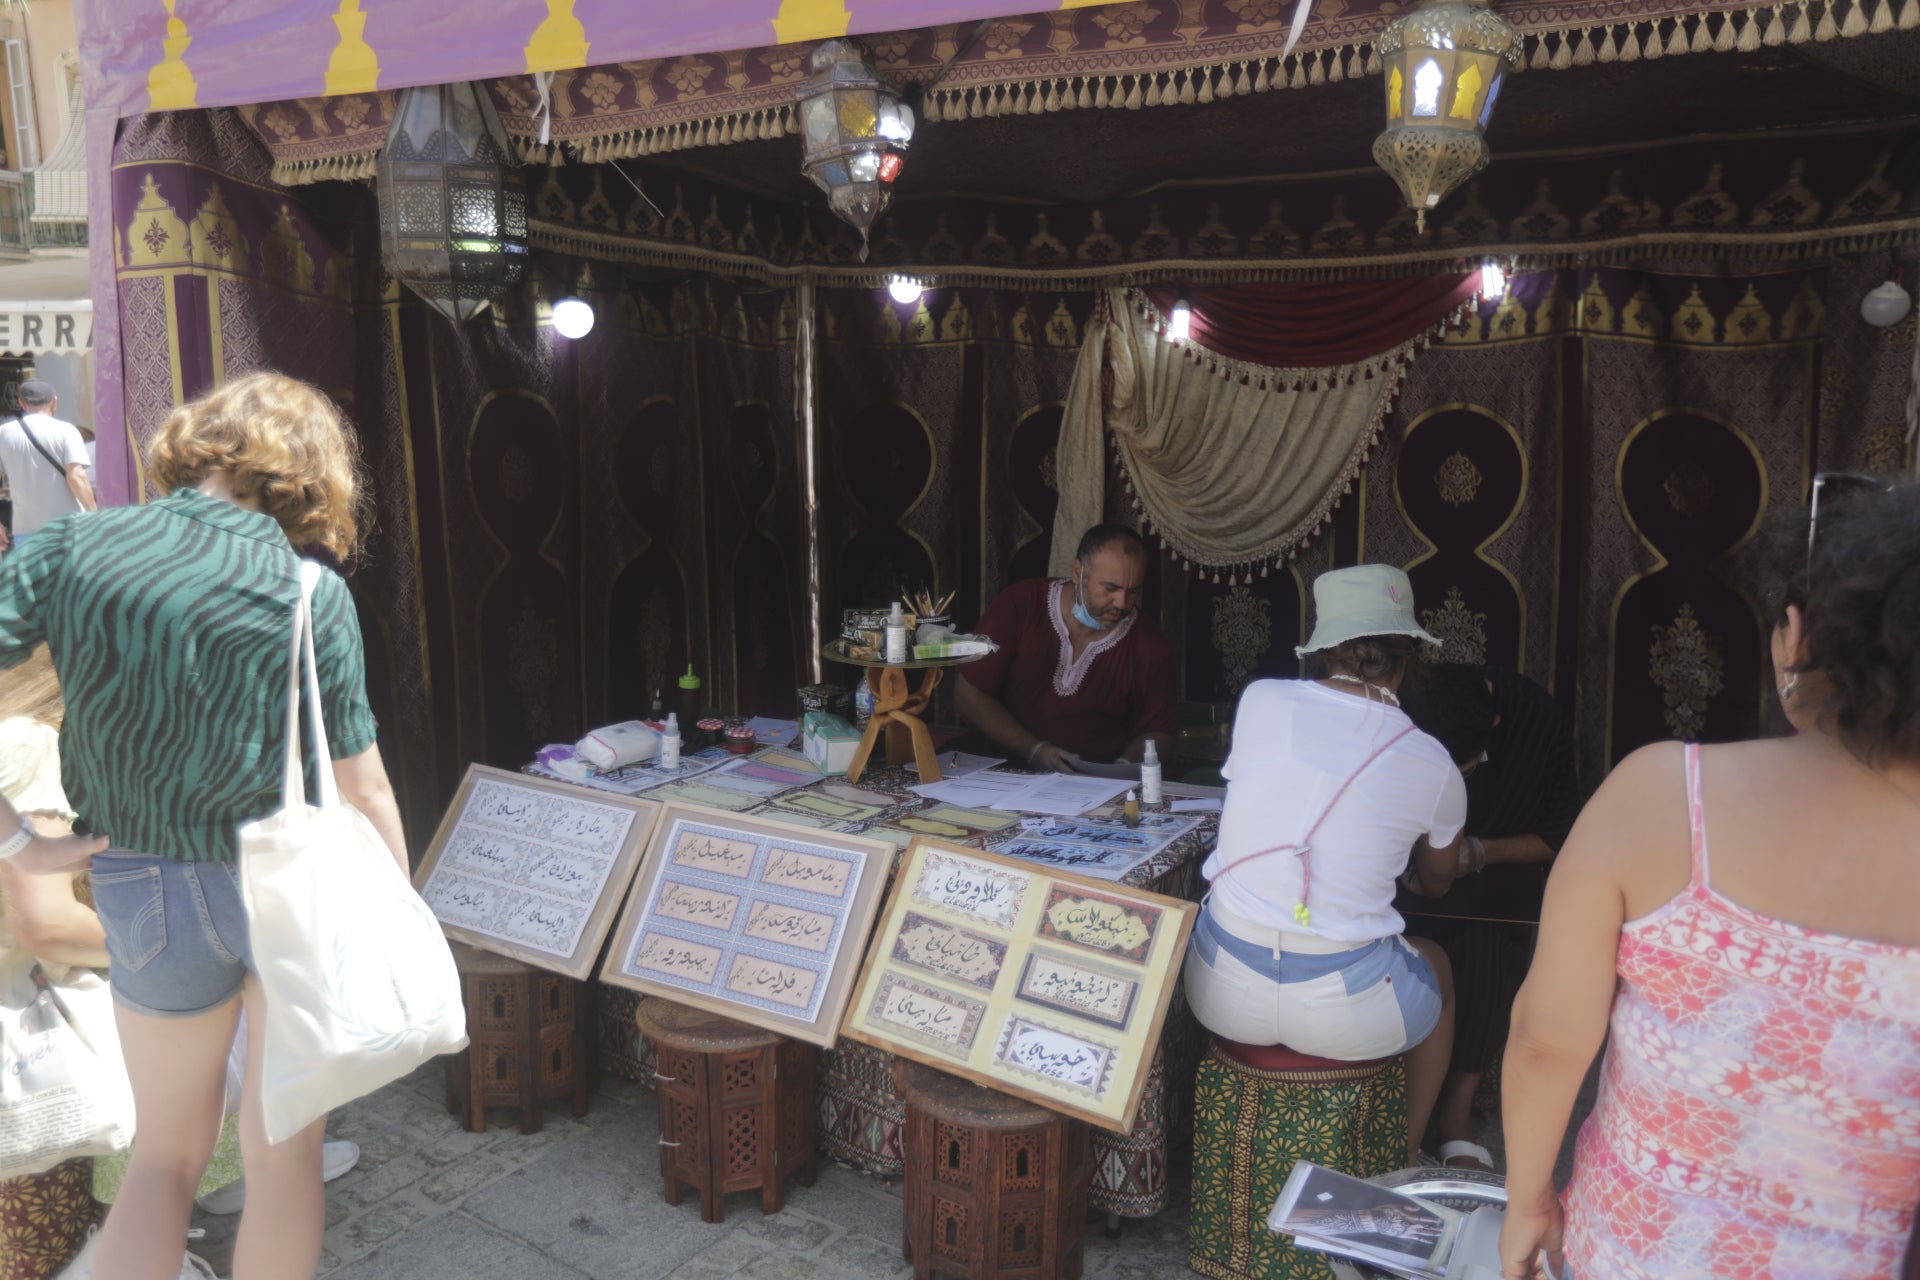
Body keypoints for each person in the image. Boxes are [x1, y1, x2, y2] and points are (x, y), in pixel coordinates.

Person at [0, 372, 407, 1280]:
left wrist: (20, 843)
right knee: (284, 1155)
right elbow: (367, 785)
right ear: (311, 474)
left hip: (143, 882)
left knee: (164, 1160)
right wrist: (395, 909)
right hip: (291, 886)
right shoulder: (311, 590)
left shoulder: (71, 546)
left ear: (193, 446)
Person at [1499, 476, 1920, 1280]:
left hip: (1637, 1254)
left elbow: (1547, 1038)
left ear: (1797, 637)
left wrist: (1528, 1201)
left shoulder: (1664, 793)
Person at [1186, 564, 1466, 1161]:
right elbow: (1438, 881)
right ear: (1408, 658)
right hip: (1350, 1013)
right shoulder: (1434, 761)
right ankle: (1404, 1154)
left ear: (1321, 650)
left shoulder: (1261, 700)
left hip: (1219, 991)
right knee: (1437, 964)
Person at [1396, 663, 1579, 1170]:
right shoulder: (1408, 709)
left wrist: (1478, 852)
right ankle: (1400, 1105)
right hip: (1411, 866)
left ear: (1494, 726)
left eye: (1465, 770)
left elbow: (1558, 837)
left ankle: (1455, 1114)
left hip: (1492, 873)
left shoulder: (1540, 723)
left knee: (1479, 930)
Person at [955, 524, 1176, 771]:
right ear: (1078, 573)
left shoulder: (1150, 644)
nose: (1122, 603)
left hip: (1087, 781)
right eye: (1110, 588)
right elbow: (968, 694)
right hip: (997, 769)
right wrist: (1033, 750)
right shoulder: (1021, 604)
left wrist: (1122, 770)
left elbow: (1159, 731)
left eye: (1133, 591)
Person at [0, 380, 95, 553]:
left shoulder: (4, 434)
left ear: (21, 403)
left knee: (34, 572)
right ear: (54, 402)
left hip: (25, 529)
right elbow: (77, 477)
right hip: (66, 527)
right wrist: (94, 514)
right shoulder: (66, 431)